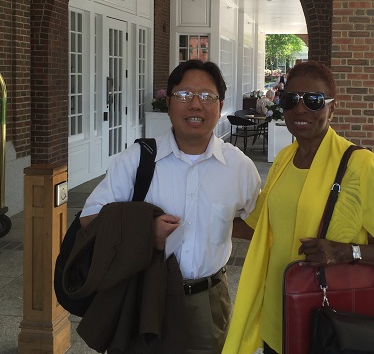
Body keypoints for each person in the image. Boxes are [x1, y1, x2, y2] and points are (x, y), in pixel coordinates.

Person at [224, 61, 374, 354]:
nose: (300, 110)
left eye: (314, 101)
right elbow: (260, 225)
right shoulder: (283, 159)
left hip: (329, 325)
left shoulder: (360, 166)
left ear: (332, 108)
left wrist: (344, 251)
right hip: (279, 316)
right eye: (291, 99)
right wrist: (200, 221)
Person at [80, 59, 261, 354]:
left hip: (208, 300)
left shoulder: (239, 167)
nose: (195, 105)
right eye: (184, 95)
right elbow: (89, 218)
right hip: (144, 294)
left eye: (206, 96)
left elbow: (256, 223)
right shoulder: (138, 159)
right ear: (169, 102)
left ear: (221, 105)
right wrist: (143, 231)